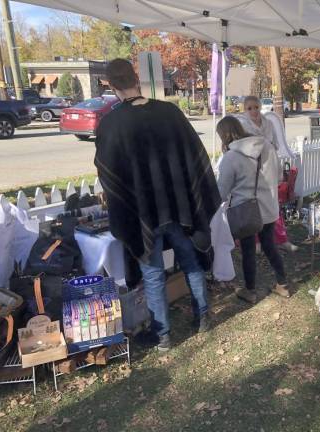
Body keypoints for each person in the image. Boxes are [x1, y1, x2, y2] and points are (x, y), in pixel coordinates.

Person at [95, 59, 221, 351]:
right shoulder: (170, 112)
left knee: (152, 273)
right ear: (135, 78)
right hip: (179, 208)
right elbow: (194, 154)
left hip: (143, 215)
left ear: (111, 85)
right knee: (190, 262)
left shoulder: (111, 124)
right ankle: (203, 318)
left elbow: (108, 172)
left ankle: (162, 335)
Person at [216, 116, 290, 304]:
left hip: (247, 211)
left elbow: (221, 192)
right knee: (269, 245)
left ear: (224, 135)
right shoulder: (267, 146)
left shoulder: (230, 157)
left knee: (248, 250)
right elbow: (280, 176)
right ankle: (283, 284)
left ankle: (250, 291)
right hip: (269, 206)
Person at [238, 96, 298, 253]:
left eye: (256, 107)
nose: (253, 111)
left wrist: (267, 145)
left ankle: (281, 239)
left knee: (273, 205)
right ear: (245, 109)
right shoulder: (242, 125)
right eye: (249, 108)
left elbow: (276, 145)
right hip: (252, 171)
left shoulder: (269, 124)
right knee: (254, 206)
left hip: (269, 168)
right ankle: (256, 241)